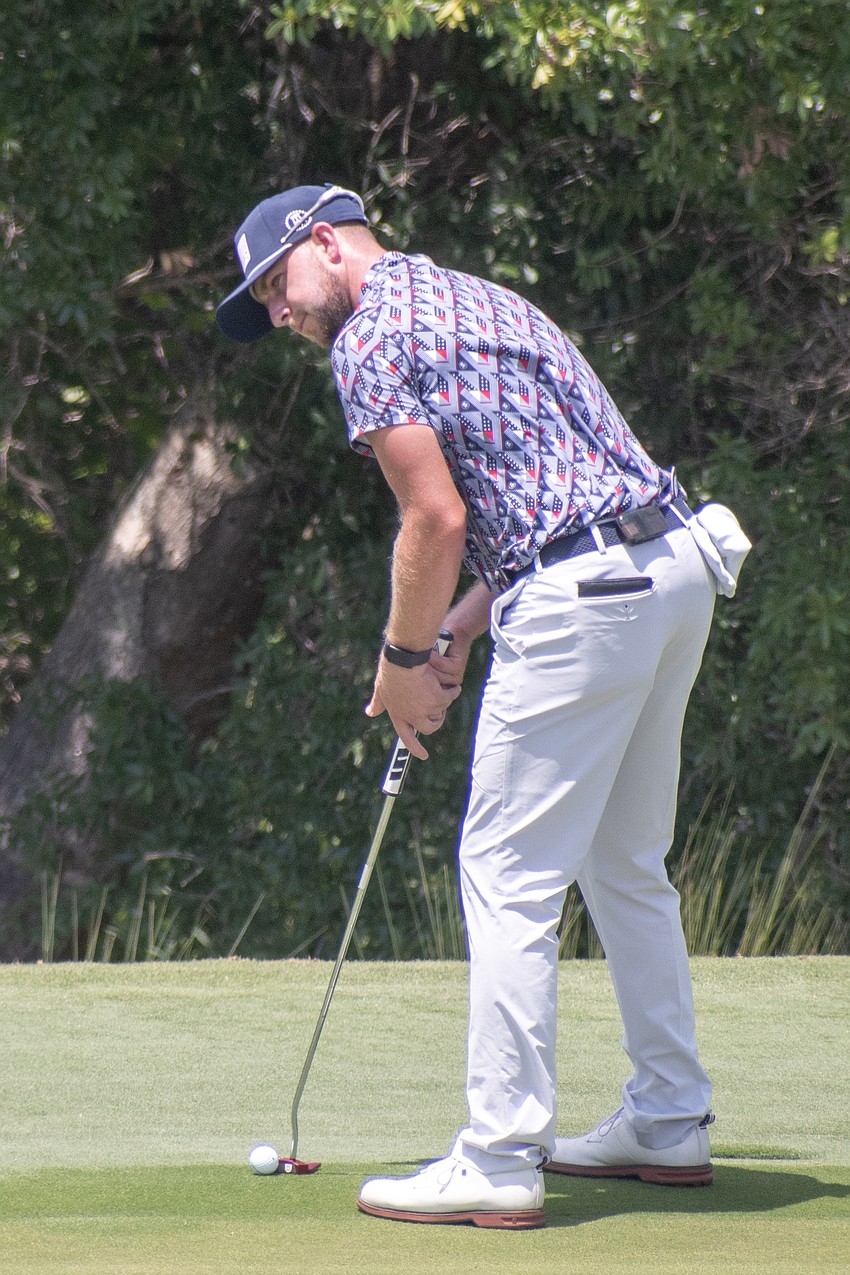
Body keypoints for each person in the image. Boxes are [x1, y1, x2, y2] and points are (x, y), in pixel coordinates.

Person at [216, 183, 748, 1230]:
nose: (278, 312)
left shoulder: (367, 340)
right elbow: (559, 490)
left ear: (324, 244)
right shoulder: (483, 299)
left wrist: (404, 657)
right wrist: (459, 628)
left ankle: (500, 1154)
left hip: (585, 597)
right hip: (671, 567)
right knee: (622, 863)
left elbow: (435, 515)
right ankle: (668, 1118)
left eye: (276, 284)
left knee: (505, 871)